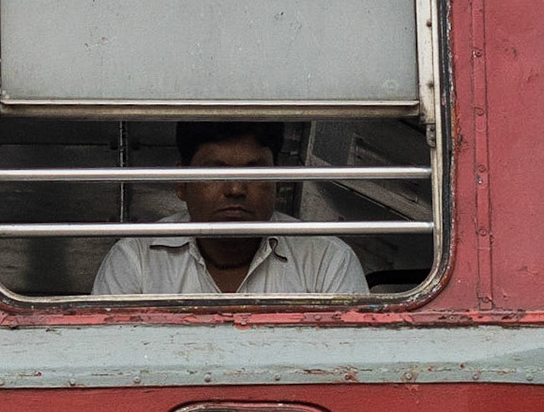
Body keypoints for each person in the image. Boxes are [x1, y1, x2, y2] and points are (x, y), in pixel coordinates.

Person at [90, 121, 369, 296]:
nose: (235, 188)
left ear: (279, 180)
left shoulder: (327, 260)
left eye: (254, 171)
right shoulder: (136, 260)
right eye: (215, 171)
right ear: (181, 182)